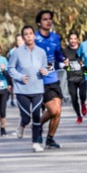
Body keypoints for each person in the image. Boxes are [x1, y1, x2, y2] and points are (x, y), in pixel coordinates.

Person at [9, 25, 49, 151]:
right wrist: (20, 77)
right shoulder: (17, 52)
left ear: (34, 35)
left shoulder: (41, 52)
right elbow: (11, 68)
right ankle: (22, 125)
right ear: (23, 37)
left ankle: (35, 143)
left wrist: (45, 71)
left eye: (30, 33)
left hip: (37, 88)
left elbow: (46, 67)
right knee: (26, 117)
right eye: (26, 34)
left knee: (36, 115)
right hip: (22, 89)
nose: (28, 36)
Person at [34, 10, 66, 149]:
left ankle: (50, 138)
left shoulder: (55, 37)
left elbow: (58, 55)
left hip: (53, 78)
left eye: (50, 19)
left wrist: (64, 61)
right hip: (41, 81)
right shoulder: (34, 38)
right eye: (45, 19)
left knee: (58, 111)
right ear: (39, 22)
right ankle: (38, 125)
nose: (48, 21)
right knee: (53, 111)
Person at [63, 33, 87, 124]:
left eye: (75, 38)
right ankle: (78, 115)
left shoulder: (82, 49)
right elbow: (66, 68)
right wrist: (67, 66)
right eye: (71, 39)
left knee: (82, 96)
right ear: (68, 40)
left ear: (77, 39)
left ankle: (83, 103)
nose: (73, 41)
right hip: (71, 79)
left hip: (82, 77)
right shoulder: (65, 51)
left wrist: (85, 72)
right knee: (74, 98)